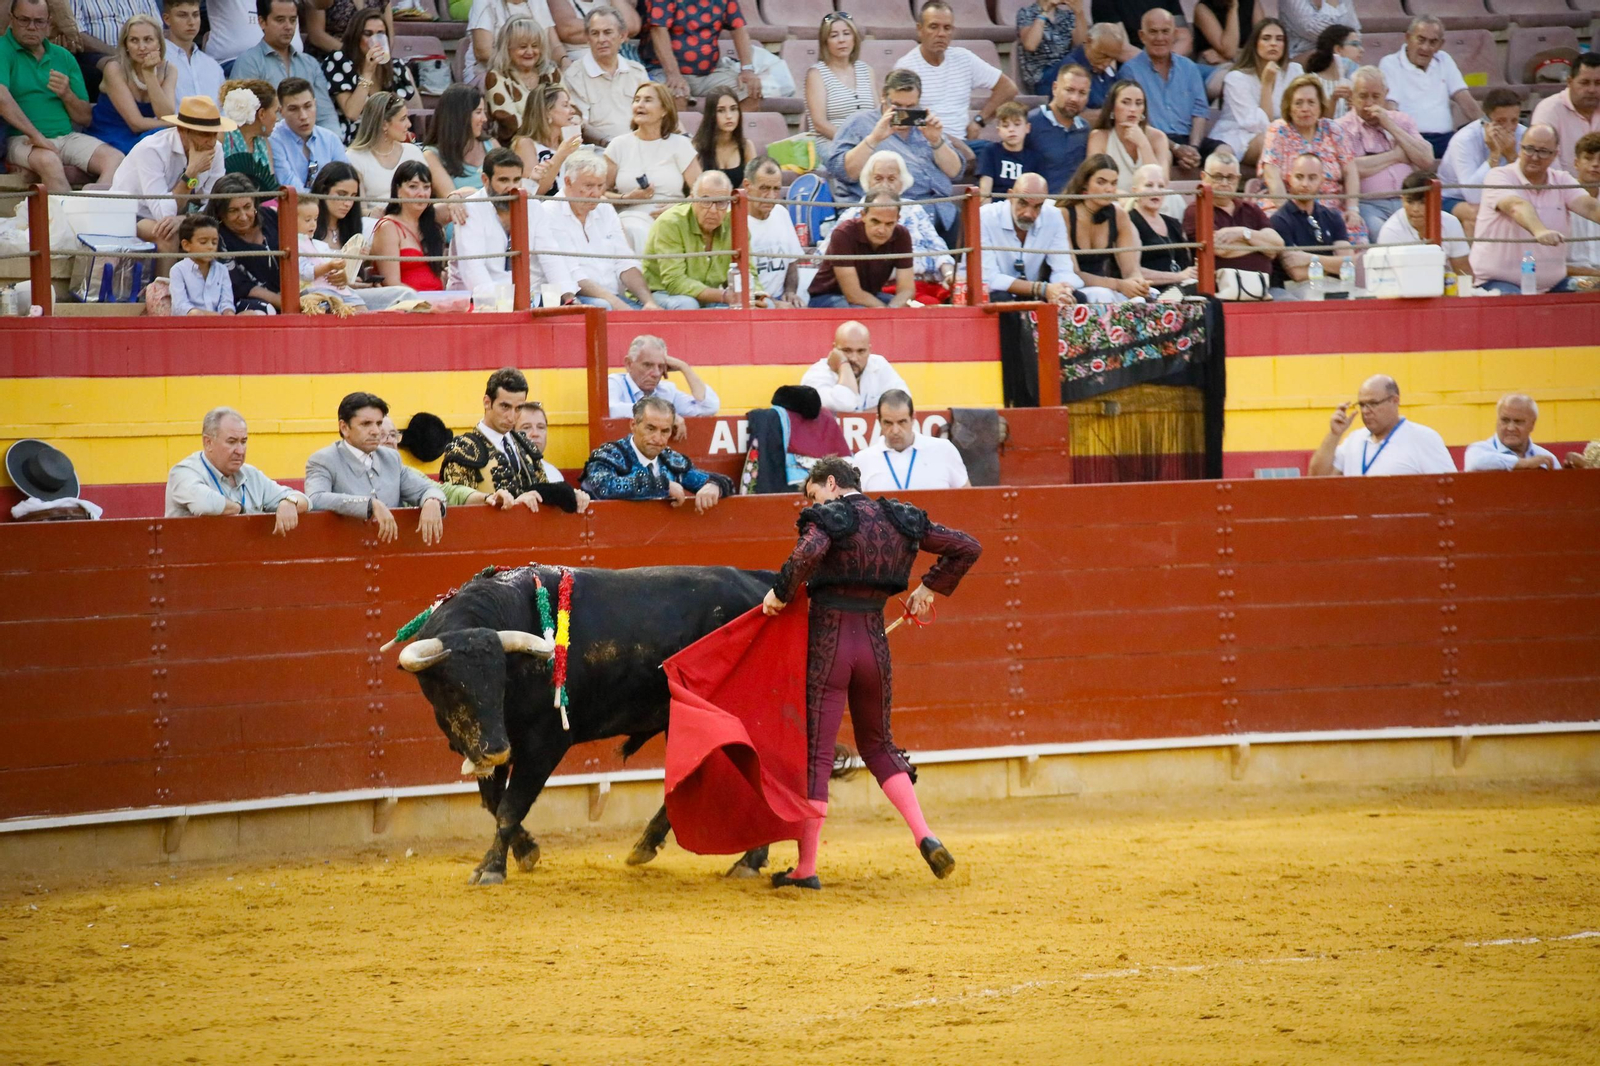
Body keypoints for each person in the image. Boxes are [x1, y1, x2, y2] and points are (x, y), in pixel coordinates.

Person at [759, 454, 982, 889]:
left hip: (830, 645)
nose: (812, 503)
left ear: (829, 483)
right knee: (879, 746)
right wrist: (928, 587)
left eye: (813, 494)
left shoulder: (830, 517)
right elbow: (968, 546)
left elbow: (808, 553)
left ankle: (806, 868)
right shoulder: (899, 518)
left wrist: (779, 593)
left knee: (818, 753)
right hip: (874, 645)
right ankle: (925, 834)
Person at [828, 69, 963, 244]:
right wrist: (874, 139)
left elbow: (956, 172)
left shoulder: (925, 123)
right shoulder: (860, 122)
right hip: (888, 214)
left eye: (910, 107)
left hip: (941, 212)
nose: (904, 113)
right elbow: (842, 171)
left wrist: (936, 141)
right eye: (897, 106)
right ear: (884, 96)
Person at [0, 0, 121, 192]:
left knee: (115, 159)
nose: (32, 27)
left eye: (39, 21)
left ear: (49, 23)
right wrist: (36, 136)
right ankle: (68, 219)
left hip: (66, 137)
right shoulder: (2, 49)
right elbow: (1, 97)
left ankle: (95, 206)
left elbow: (84, 117)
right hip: (23, 139)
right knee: (49, 161)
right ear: (11, 19)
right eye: (24, 20)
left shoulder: (63, 56)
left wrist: (67, 94)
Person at [1470, 124, 1600, 296]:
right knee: (1516, 304)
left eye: (1544, 151)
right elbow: (1516, 206)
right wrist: (1539, 231)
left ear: (1555, 154)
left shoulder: (1561, 179)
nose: (1535, 157)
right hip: (1500, 282)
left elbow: (1590, 207)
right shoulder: (1499, 175)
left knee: (1596, 286)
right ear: (1519, 147)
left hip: (1556, 283)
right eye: (1529, 149)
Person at [306, 391, 447, 543]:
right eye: (366, 424)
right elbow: (315, 498)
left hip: (390, 552)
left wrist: (432, 500)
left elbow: (425, 489)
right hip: (344, 553)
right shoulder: (323, 460)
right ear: (344, 428)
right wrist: (368, 504)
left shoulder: (390, 458)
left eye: (378, 423)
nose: (376, 431)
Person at [439, 368, 584, 512]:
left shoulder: (526, 446)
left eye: (518, 408)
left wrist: (570, 495)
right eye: (505, 406)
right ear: (487, 402)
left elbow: (544, 491)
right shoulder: (463, 449)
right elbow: (456, 507)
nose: (512, 417)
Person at [107, 94, 230, 263]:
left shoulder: (215, 149)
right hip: (131, 215)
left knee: (223, 225)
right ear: (182, 130)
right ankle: (164, 287)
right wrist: (191, 173)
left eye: (214, 134)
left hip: (181, 215)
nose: (210, 142)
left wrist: (185, 219)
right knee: (167, 233)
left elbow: (214, 203)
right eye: (204, 134)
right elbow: (163, 215)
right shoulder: (151, 150)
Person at [540, 150, 660, 309]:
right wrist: (616, 303)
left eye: (600, 186)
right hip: (570, 297)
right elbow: (570, 273)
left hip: (610, 297)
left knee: (658, 310)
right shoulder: (549, 211)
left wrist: (649, 302)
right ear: (568, 182)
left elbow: (625, 261)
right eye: (589, 186)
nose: (596, 193)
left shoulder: (605, 208)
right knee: (605, 307)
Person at [895, 0, 1017, 149]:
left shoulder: (964, 59)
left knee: (1000, 152)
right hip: (924, 145)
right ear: (919, 29)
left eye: (947, 28)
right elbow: (898, 117)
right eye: (933, 27)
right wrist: (932, 128)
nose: (941, 34)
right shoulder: (906, 67)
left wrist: (979, 121)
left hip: (963, 144)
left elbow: (1008, 88)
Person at [831, 149, 956, 292]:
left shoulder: (915, 209)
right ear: (867, 181)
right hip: (878, 288)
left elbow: (938, 249)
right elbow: (826, 254)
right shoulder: (853, 214)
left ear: (902, 183)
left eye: (891, 179)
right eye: (878, 178)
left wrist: (949, 274)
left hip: (923, 284)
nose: (885, 184)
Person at [165, 406, 308, 531]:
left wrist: (289, 502)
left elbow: (305, 501)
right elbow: (206, 504)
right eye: (232, 442)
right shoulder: (183, 472)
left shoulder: (251, 475)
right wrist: (242, 509)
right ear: (208, 443)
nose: (240, 450)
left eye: (243, 441)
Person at [642, 169, 768, 309]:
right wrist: (725, 296)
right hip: (662, 293)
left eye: (721, 203)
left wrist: (756, 294)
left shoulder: (735, 225)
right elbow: (674, 282)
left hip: (713, 295)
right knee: (687, 304)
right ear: (692, 199)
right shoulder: (671, 223)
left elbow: (748, 272)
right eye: (706, 201)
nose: (713, 210)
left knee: (767, 306)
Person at [1260, 74, 1362, 242]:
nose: (1305, 108)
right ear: (1289, 106)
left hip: (1330, 209)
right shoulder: (1278, 130)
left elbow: (1350, 171)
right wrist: (1290, 212)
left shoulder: (1333, 129)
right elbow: (1272, 177)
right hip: (1287, 205)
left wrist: (1352, 208)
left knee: (1354, 231)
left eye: (1311, 102)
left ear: (1320, 105)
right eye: (1298, 103)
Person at [580, 395, 733, 507]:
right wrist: (662, 486)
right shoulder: (609, 454)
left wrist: (715, 486)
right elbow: (603, 487)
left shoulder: (670, 460)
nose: (658, 438)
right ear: (633, 425)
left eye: (665, 431)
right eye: (650, 428)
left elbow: (721, 481)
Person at [1337, 66, 1433, 237]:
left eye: (1376, 96)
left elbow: (1426, 159)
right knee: (1386, 235)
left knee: (1435, 230)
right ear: (1352, 95)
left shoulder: (1401, 120)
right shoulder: (1341, 127)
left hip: (1410, 201)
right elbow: (1351, 169)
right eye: (1363, 96)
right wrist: (1397, 155)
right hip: (1369, 204)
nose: (1369, 103)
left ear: (1386, 93)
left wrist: (1390, 125)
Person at [604, 81, 698, 252]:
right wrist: (626, 199)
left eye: (647, 100)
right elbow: (598, 192)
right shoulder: (618, 145)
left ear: (664, 110)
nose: (640, 105)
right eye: (637, 100)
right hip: (629, 218)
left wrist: (679, 207)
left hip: (672, 216)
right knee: (633, 231)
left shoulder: (681, 144)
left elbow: (701, 191)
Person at [1309, 374, 1455, 477]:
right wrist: (1334, 435)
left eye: (1373, 404)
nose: (1366, 411)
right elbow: (1317, 478)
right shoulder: (1354, 440)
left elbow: (1450, 488)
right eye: (1362, 405)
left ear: (1394, 401)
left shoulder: (1423, 438)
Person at [1122, 8, 1211, 174]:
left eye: (1165, 31)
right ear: (1142, 36)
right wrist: (1175, 147)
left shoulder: (1189, 67)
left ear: (1174, 34)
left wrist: (1193, 147)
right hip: (1153, 138)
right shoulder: (1130, 71)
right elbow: (1134, 119)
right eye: (1153, 32)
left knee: (1224, 152)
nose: (1160, 38)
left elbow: (1200, 111)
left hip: (1188, 140)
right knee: (1164, 153)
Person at [1183, 147, 1284, 290]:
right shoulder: (1196, 210)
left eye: (1230, 177)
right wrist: (1261, 246)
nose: (1224, 183)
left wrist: (1242, 233)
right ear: (1203, 177)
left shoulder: (1251, 208)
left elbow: (1277, 245)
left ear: (1238, 179)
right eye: (1218, 176)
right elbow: (1221, 250)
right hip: (1220, 292)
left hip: (1264, 290)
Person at [1378, 15, 1478, 160]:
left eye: (1433, 42)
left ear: (1440, 45)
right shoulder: (1390, 63)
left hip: (1446, 140)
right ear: (1408, 38)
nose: (1425, 47)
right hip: (1411, 139)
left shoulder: (1444, 59)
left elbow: (1466, 100)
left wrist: (1489, 126)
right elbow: (1390, 108)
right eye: (1421, 39)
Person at [231, 0, 338, 134]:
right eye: (280, 20)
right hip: (268, 146)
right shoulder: (249, 62)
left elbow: (326, 116)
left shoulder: (310, 64)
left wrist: (332, 146)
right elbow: (241, 118)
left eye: (293, 20)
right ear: (262, 22)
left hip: (311, 145)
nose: (288, 27)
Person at [81, 13, 177, 155]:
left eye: (148, 40)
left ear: (159, 44)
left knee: (170, 141)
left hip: (144, 134)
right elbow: (136, 124)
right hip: (109, 134)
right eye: (134, 40)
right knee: (158, 142)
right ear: (126, 45)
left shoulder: (169, 70)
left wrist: (149, 74)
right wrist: (177, 124)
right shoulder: (114, 68)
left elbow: (166, 115)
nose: (141, 47)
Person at [1209, 18, 1301, 166]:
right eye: (1266, 38)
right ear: (1255, 44)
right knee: (1271, 139)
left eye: (1279, 39)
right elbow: (1260, 125)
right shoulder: (1236, 79)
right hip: (1240, 137)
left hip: (1286, 135)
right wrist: (1266, 84)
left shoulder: (1294, 71)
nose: (1273, 43)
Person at [447, 146, 536, 295]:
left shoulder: (531, 206)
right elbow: (473, 270)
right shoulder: (469, 208)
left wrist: (566, 295)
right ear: (485, 180)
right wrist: (502, 301)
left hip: (521, 297)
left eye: (516, 180)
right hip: (474, 301)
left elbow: (549, 257)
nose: (511, 187)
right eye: (504, 180)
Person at [640, 0, 761, 108]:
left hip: (709, 73)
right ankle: (682, 133)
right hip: (665, 71)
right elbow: (658, 30)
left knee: (751, 92)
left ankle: (731, 134)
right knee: (676, 95)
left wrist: (747, 70)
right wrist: (673, 75)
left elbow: (738, 28)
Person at [807, 191, 915, 310]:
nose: (881, 230)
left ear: (897, 219)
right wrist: (886, 312)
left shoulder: (902, 235)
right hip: (827, 296)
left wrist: (893, 308)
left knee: (909, 308)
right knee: (860, 312)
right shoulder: (844, 233)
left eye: (889, 224)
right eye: (875, 221)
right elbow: (853, 294)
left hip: (869, 295)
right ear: (863, 215)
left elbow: (907, 290)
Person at [1438, 87, 1524, 233]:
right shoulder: (1463, 140)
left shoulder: (1523, 134)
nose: (1509, 128)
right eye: (1501, 121)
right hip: (1453, 197)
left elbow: (1529, 186)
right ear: (1485, 121)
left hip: (1501, 195)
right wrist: (1494, 155)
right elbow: (1473, 196)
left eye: (1514, 121)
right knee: (1479, 214)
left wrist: (1511, 157)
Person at [323, 8, 415, 144]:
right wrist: (367, 73)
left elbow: (400, 113)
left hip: (388, 140)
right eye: (368, 34)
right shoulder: (339, 61)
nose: (375, 40)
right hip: (355, 141)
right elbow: (352, 113)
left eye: (380, 34)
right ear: (356, 37)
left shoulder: (395, 67)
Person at [1063, 153, 1148, 298]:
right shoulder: (1064, 215)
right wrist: (1118, 284)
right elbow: (1073, 273)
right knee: (1102, 295)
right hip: (1072, 288)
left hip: (1107, 287)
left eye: (1113, 183)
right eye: (1101, 182)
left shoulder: (1119, 215)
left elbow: (1130, 270)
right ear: (1085, 183)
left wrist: (1138, 284)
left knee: (1145, 296)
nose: (1109, 189)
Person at [561, 4, 649, 145]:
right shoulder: (574, 75)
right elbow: (580, 125)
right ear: (587, 38)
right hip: (600, 151)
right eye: (595, 33)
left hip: (640, 146)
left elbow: (652, 114)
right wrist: (609, 143)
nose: (601, 39)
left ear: (622, 36)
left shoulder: (637, 71)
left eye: (608, 32)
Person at [853, 390, 970, 492]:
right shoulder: (863, 460)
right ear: (878, 420)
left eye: (901, 422)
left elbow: (968, 499)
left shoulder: (944, 450)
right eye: (888, 423)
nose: (895, 430)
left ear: (913, 418)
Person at [1270, 151, 1353, 294]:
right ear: (1289, 179)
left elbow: (1349, 264)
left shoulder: (1333, 216)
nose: (1305, 184)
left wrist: (1309, 258)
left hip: (1334, 286)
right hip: (1296, 290)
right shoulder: (1279, 220)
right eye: (1299, 177)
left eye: (1312, 178)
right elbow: (1297, 273)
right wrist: (1333, 266)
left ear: (1322, 180)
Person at [369, 160, 448, 292]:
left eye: (426, 187)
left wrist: (454, 197)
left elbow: (470, 197)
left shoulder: (433, 227)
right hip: (407, 304)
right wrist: (423, 301)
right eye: (413, 187)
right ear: (398, 191)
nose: (421, 193)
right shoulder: (388, 227)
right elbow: (391, 283)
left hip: (440, 300)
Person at [1376, 168, 1471, 278]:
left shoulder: (1451, 222)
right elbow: (1388, 281)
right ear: (1402, 200)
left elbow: (1464, 273)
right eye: (1410, 202)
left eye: (1423, 202)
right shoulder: (1390, 231)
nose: (1415, 209)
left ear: (1437, 200)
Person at [805, 9, 875, 155]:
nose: (841, 40)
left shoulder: (866, 70)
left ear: (855, 38)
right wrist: (853, 142)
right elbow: (819, 124)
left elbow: (878, 112)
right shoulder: (816, 74)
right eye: (834, 36)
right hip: (833, 144)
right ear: (825, 42)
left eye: (846, 33)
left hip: (869, 144)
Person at [801, 321, 910, 415]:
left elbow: (903, 401)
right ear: (834, 349)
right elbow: (846, 403)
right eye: (847, 351)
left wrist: (860, 417)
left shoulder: (878, 364)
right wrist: (843, 365)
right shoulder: (817, 374)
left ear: (869, 350)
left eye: (861, 351)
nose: (854, 358)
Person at [208, 172, 280, 311]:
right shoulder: (217, 238)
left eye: (247, 207)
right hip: (247, 301)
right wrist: (284, 302)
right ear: (220, 213)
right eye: (233, 210)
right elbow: (240, 285)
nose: (243, 217)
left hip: (290, 292)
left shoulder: (271, 215)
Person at [607, 334, 719, 420]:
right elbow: (611, 409)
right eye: (647, 365)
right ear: (629, 364)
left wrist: (684, 367)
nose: (656, 373)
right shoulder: (615, 383)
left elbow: (709, 408)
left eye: (661, 366)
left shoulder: (667, 391)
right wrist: (663, 414)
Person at [344, 91, 421, 215]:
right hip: (376, 225)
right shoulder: (354, 157)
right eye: (403, 119)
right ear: (384, 124)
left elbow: (427, 196)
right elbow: (357, 211)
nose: (409, 124)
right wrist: (372, 213)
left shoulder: (413, 152)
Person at [483, 15, 556, 145]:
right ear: (507, 49)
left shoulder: (551, 72)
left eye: (535, 46)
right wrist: (551, 130)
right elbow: (511, 122)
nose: (530, 52)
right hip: (516, 148)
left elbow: (570, 111)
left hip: (556, 143)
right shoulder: (496, 77)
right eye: (522, 47)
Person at [1086, 79, 1171, 189]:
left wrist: (1143, 144)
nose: (1133, 109)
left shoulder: (1158, 137)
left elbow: (1162, 184)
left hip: (1154, 202)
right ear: (1112, 108)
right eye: (1125, 102)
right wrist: (1128, 203)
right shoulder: (1098, 137)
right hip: (1114, 202)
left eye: (1139, 103)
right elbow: (1097, 185)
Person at [744, 155, 806, 307]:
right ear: (747, 186)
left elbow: (792, 262)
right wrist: (774, 304)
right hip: (750, 301)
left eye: (776, 189)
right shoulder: (734, 220)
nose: (771, 196)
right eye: (764, 188)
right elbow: (735, 280)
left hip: (778, 297)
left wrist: (790, 292)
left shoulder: (781, 212)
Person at [268, 75, 347, 191]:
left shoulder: (330, 139)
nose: (303, 116)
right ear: (281, 111)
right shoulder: (273, 140)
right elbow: (290, 188)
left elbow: (346, 180)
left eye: (308, 106)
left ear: (315, 104)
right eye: (293, 109)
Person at [464, 0, 562, 89]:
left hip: (535, 70)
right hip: (493, 71)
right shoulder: (484, 2)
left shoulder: (538, 2)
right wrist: (523, 71)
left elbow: (555, 46)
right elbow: (483, 52)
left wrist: (565, 62)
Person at [1530, 53, 1600, 172]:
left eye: (1598, 83)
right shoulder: (1549, 109)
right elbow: (1546, 163)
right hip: (1562, 188)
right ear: (1569, 81)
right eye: (1585, 83)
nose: (1592, 90)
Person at [1029, 63, 1092, 193]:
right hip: (1039, 206)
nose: (1075, 99)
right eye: (1069, 90)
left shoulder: (1085, 129)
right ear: (1055, 88)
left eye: (1082, 93)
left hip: (1074, 206)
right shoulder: (1030, 123)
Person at [1127, 163, 1194, 286]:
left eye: (1161, 186)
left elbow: (1187, 263)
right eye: (1149, 185)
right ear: (1135, 191)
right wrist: (1178, 276)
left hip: (1182, 288)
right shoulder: (1129, 222)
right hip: (1150, 291)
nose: (1156, 190)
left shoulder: (1174, 223)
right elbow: (1132, 272)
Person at [295, 195, 367, 309]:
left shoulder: (320, 245)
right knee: (333, 303)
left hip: (335, 288)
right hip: (314, 290)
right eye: (307, 220)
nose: (313, 224)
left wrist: (356, 257)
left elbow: (337, 263)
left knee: (359, 304)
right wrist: (329, 266)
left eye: (315, 219)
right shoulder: (294, 245)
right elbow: (305, 272)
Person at [511, 81, 581, 196]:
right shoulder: (525, 144)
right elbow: (534, 192)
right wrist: (560, 156)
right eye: (565, 105)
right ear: (547, 112)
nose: (572, 111)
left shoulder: (567, 144)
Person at [424, 83, 494, 195]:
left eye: (483, 112)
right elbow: (452, 199)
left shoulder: (491, 144)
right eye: (478, 112)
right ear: (460, 116)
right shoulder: (431, 156)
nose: (484, 119)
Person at [1464, 394, 1560, 472]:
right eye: (1505, 420)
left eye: (1518, 421)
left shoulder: (1547, 458)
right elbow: (1476, 463)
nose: (1510, 428)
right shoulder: (1479, 450)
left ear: (1532, 424)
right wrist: (1524, 463)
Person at [1047, 22, 1124, 115]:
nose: (1106, 63)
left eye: (1112, 59)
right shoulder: (1070, 70)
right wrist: (1115, 115)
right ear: (1088, 41)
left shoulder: (1110, 74)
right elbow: (1072, 116)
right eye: (1103, 55)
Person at [1016, 0, 1087, 97]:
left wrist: (1079, 12)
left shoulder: (1067, 15)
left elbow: (1081, 44)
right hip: (1042, 78)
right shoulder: (1026, 13)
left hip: (1068, 71)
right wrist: (1044, 13)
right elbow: (1030, 45)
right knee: (1072, 63)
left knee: (1093, 54)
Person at [168, 214, 236, 315]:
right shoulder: (178, 270)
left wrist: (228, 313)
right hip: (191, 324)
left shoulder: (222, 269)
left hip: (220, 323)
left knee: (250, 314)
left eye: (214, 242)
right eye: (203, 242)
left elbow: (227, 301)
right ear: (186, 245)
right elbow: (180, 306)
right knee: (195, 314)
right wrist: (212, 316)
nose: (210, 247)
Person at [216, 79, 277, 191]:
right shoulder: (222, 137)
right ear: (262, 114)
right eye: (275, 112)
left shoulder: (264, 144)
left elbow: (270, 187)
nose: (277, 119)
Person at [162, 0, 223, 102]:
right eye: (182, 15)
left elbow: (223, 110)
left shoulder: (213, 66)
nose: (191, 22)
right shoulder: (158, 59)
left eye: (195, 15)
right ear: (167, 19)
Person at [692, 89, 752, 191]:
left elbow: (753, 187)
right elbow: (695, 192)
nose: (729, 116)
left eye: (733, 109)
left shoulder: (746, 146)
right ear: (710, 114)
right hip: (706, 205)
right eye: (721, 110)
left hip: (736, 205)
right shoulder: (696, 147)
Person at [977, 100, 1038, 199]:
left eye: (1017, 124)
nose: (1011, 129)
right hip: (995, 208)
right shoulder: (990, 151)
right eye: (1005, 126)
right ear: (998, 131)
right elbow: (985, 190)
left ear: (1027, 128)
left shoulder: (1034, 158)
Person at [1303, 23, 1360, 120]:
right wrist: (1333, 100)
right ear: (1338, 49)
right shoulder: (1311, 82)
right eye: (1354, 44)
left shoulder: (1357, 84)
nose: (1361, 50)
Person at [303, 0, 392, 58]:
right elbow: (316, 35)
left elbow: (388, 34)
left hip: (371, 58)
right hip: (329, 58)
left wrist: (380, 56)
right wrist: (354, 55)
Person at [1569, 132, 1600, 288]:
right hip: (1570, 277)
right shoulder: (1560, 198)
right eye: (1588, 158)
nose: (1595, 165)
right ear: (1576, 163)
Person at [1279, 0, 1359, 58]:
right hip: (1304, 63)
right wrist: (1331, 2)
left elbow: (1354, 31)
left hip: (1341, 59)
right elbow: (1320, 32)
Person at [515, 400, 566, 482]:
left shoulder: (554, 475)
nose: (535, 433)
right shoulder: (508, 473)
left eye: (540, 427)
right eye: (526, 427)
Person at [1189, 0, 1238, 68]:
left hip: (1242, 60)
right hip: (1213, 65)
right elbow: (1229, 51)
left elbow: (1257, 42)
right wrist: (1233, 8)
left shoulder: (1251, 3)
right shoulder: (1202, 8)